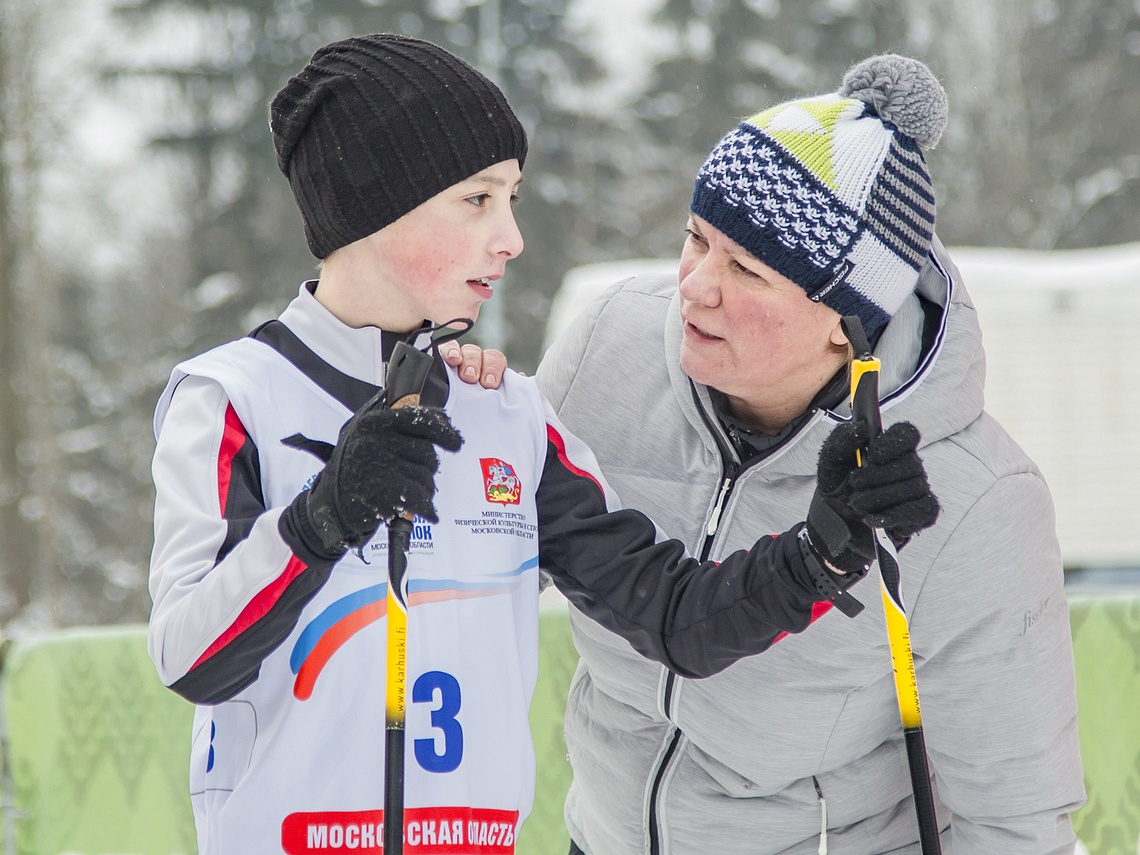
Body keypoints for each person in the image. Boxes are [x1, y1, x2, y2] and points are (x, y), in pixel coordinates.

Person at [145, 36, 940, 854]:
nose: (511, 238)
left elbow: (672, 616)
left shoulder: (508, 414)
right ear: (375, 202)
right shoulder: (232, 396)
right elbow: (192, 657)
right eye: (479, 199)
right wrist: (323, 515)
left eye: (513, 198)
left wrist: (822, 551)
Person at [533, 55, 1085, 854]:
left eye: (745, 270)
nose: (694, 286)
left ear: (846, 321)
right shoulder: (606, 348)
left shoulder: (976, 498)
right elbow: (491, 557)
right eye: (695, 238)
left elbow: (1014, 821)